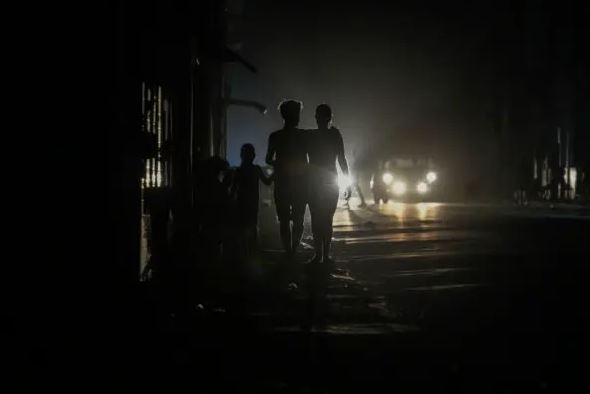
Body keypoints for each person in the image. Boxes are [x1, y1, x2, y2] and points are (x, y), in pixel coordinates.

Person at [307, 104, 351, 265]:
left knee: (318, 218)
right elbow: (342, 159)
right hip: (328, 182)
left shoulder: (311, 136)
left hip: (316, 182)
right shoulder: (334, 135)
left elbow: (342, 159)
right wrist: (347, 183)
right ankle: (324, 255)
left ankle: (320, 254)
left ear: (317, 117)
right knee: (325, 219)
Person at [265, 100, 309, 259]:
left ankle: (289, 251)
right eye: (297, 113)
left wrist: (279, 164)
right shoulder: (303, 136)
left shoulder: (276, 136)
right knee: (298, 219)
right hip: (299, 183)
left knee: (285, 219)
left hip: (283, 183)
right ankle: (293, 249)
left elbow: (268, 159)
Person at [231, 143, 272, 261]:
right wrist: (276, 172)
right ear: (253, 155)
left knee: (242, 230)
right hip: (252, 204)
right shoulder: (256, 169)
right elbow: (268, 182)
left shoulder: (238, 171)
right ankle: (252, 254)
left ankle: (244, 255)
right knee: (252, 228)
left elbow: (233, 190)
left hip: (241, 203)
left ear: (242, 156)